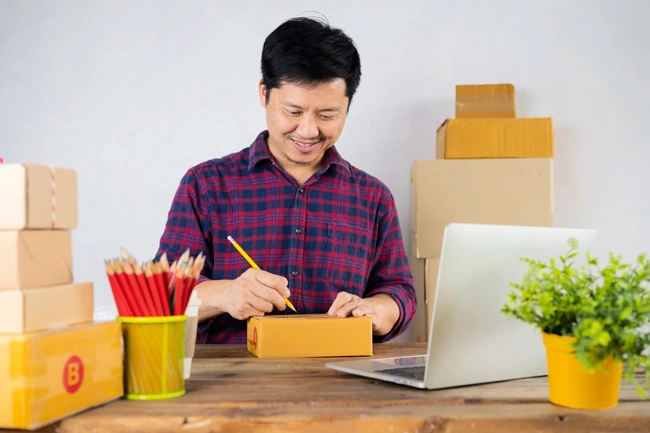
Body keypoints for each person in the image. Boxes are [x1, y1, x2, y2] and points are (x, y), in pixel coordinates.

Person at [156, 16, 416, 344]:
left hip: (339, 382)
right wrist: (226, 294)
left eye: (327, 115)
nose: (308, 131)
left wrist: (378, 309)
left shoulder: (373, 197)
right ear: (264, 93)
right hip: (229, 384)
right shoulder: (206, 185)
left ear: (348, 105)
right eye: (293, 112)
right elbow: (159, 294)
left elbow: (400, 291)